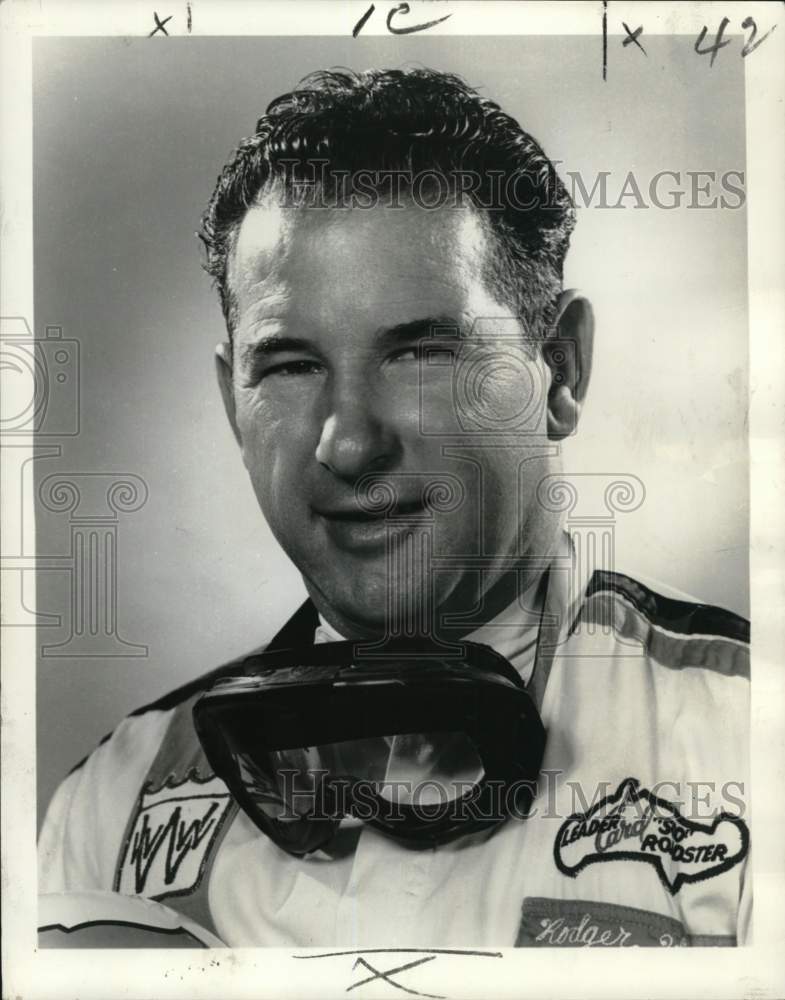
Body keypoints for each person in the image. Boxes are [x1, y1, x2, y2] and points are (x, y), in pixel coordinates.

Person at [38, 68, 750, 948]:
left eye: (419, 354)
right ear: (233, 401)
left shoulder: (750, 741)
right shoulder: (111, 804)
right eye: (291, 366)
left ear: (559, 370)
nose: (347, 442)